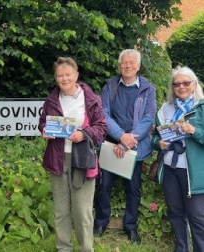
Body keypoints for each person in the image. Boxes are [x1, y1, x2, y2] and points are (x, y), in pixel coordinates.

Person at [38, 57, 107, 252]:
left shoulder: (91, 99)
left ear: (76, 75)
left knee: (82, 210)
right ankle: (64, 248)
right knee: (61, 209)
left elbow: (101, 128)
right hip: (58, 158)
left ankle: (86, 248)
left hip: (82, 159)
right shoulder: (52, 100)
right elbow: (43, 122)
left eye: (68, 74)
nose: (64, 78)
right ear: (56, 78)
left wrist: (83, 135)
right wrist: (44, 129)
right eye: (60, 75)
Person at [94, 49, 156, 244]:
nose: (128, 66)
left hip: (134, 147)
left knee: (134, 189)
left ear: (138, 66)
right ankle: (101, 222)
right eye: (124, 63)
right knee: (103, 186)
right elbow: (103, 113)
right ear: (119, 66)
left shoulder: (148, 89)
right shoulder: (110, 86)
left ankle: (131, 227)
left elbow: (148, 118)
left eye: (132, 63)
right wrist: (120, 136)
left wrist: (128, 141)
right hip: (113, 145)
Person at [151, 66, 204, 252]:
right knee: (175, 213)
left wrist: (194, 131)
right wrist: (159, 144)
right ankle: (181, 248)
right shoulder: (165, 109)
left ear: (194, 84)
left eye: (186, 83)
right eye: (177, 84)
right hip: (170, 169)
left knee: (197, 217)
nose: (181, 87)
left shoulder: (202, 107)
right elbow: (156, 138)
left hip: (194, 173)